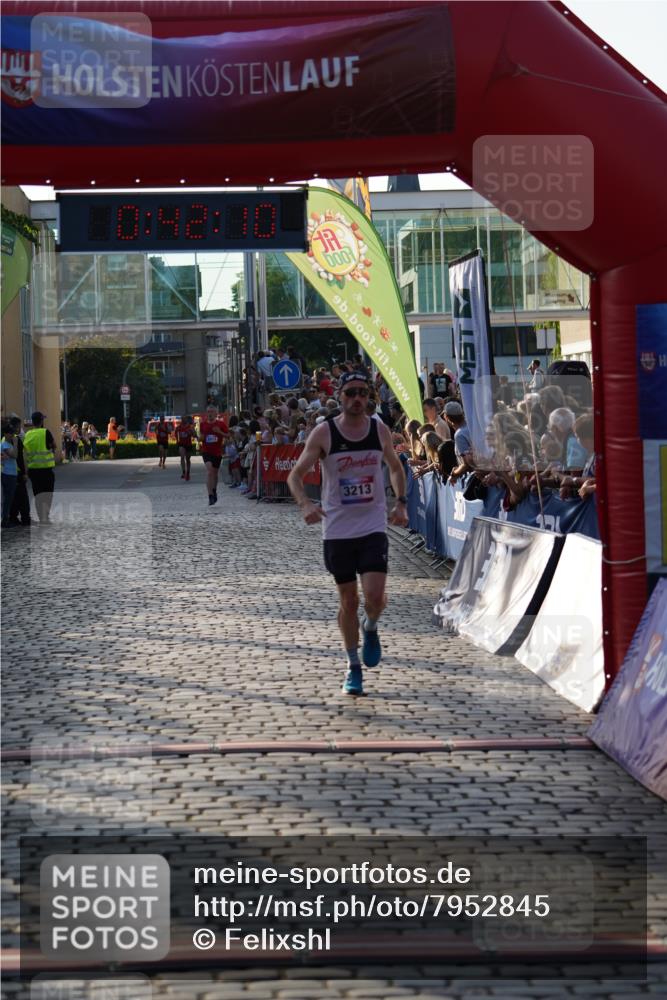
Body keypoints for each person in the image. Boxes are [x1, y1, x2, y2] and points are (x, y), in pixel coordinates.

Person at [288, 371, 409, 697]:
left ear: (369, 397)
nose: (357, 399)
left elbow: (395, 467)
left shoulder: (378, 428)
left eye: (363, 393)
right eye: (351, 393)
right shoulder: (324, 433)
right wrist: (305, 505)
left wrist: (401, 502)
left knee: (374, 597)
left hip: (371, 526)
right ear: (340, 396)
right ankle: (353, 666)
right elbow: (295, 475)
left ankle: (371, 627)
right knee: (349, 600)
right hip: (338, 530)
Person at [23, 411, 56, 524]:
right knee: (47, 494)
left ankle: (41, 516)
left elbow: (25, 451)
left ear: (32, 422)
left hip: (33, 471)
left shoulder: (28, 434)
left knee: (38, 494)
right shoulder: (46, 432)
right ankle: (45, 517)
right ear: (42, 421)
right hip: (46, 470)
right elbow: (54, 445)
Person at [198, 403, 229, 505]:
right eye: (208, 412)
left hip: (217, 452)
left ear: (216, 413)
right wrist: (200, 438)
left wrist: (220, 432)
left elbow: (228, 436)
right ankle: (210, 495)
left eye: (212, 412)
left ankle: (214, 490)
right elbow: (201, 436)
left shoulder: (221, 424)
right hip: (206, 451)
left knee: (215, 474)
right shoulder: (202, 424)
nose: (210, 414)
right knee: (210, 471)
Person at [7, 416, 31, 526]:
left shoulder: (4, 439)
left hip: (7, 473)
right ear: (16, 427)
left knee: (12, 496)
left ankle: (13, 517)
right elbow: (21, 458)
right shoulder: (16, 440)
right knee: (23, 497)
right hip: (17, 472)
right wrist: (25, 473)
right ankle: (25, 518)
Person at [445, 401, 474, 484]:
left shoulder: (459, 435)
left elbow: (467, 464)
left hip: (476, 479)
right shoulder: (471, 425)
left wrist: (454, 474)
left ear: (446, 417)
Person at [1, 421, 19, 528]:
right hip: (8, 474)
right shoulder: (4, 445)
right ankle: (5, 520)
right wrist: (16, 443)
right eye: (11, 433)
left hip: (11, 473)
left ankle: (6, 518)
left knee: (9, 497)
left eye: (13, 433)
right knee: (8, 498)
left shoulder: (8, 444)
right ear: (5, 434)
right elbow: (15, 455)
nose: (13, 435)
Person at [176, 415, 196, 481]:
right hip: (181, 444)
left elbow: (194, 435)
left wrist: (191, 433)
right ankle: (183, 472)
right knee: (182, 456)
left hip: (188, 445)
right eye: (182, 419)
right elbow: (176, 433)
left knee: (187, 459)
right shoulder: (179, 427)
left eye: (184, 419)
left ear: (186, 420)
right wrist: (177, 441)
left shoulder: (190, 427)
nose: (182, 420)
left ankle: (188, 472)